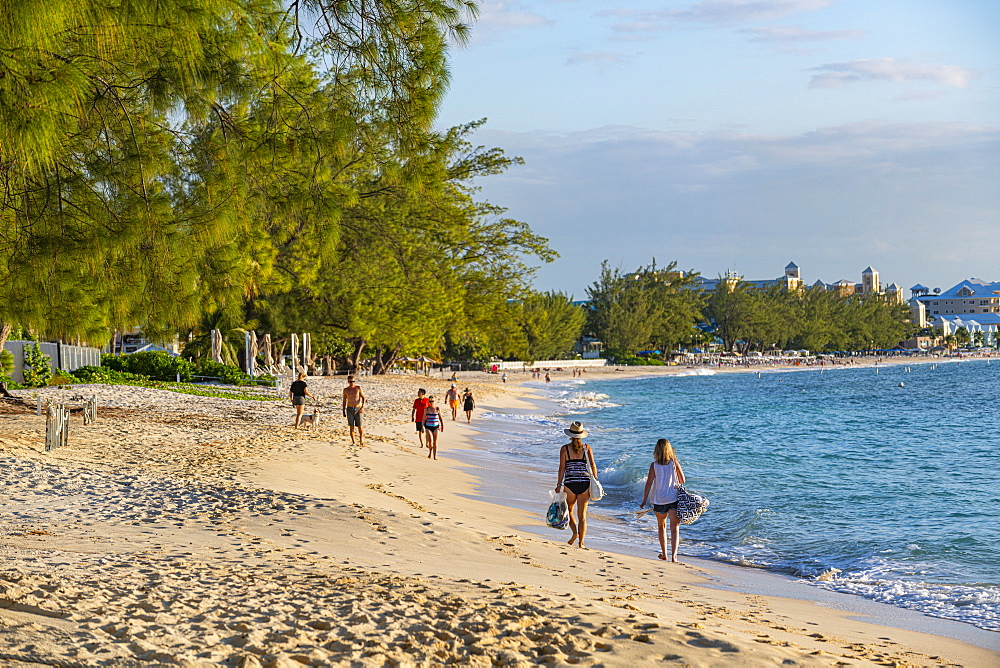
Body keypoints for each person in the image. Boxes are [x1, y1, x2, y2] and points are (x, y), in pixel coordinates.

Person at [639, 438, 687, 563]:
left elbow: (648, 484)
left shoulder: (654, 465)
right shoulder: (674, 463)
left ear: (657, 450)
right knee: (675, 527)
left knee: (661, 527)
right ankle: (674, 556)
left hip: (659, 499)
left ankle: (665, 554)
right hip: (673, 498)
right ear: (669, 450)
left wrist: (644, 500)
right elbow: (682, 480)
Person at [554, 421, 598, 548]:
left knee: (569, 511)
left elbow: (562, 468)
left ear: (570, 435)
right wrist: (595, 479)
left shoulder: (565, 449)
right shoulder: (587, 448)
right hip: (584, 483)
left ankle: (575, 533)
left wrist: (558, 484)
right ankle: (582, 543)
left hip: (570, 483)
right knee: (582, 516)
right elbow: (593, 465)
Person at [342, 375, 366, 446]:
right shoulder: (346, 390)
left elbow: (364, 398)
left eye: (353, 381)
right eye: (350, 382)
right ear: (348, 382)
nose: (352, 383)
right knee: (351, 426)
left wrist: (363, 407)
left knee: (360, 426)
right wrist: (343, 410)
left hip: (358, 409)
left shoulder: (358, 388)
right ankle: (353, 442)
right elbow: (344, 401)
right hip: (349, 409)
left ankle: (361, 440)